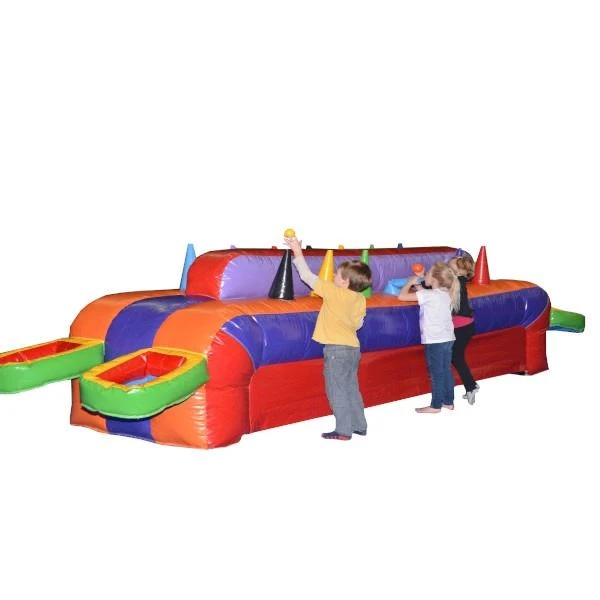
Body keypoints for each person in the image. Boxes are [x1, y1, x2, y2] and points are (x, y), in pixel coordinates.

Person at [284, 235, 372, 440]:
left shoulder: (334, 292)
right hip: (353, 349)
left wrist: (297, 251)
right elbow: (358, 324)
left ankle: (343, 430)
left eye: (337, 274)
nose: (333, 275)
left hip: (336, 350)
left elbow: (307, 276)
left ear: (345, 282)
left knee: (336, 389)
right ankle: (359, 425)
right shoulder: (360, 299)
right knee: (351, 388)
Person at [398, 262, 460, 413]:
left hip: (434, 340)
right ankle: (448, 401)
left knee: (436, 373)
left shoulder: (430, 295)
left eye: (427, 273)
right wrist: (419, 284)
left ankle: (435, 405)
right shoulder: (445, 293)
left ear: (434, 279)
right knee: (445, 370)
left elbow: (402, 296)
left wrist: (409, 282)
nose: (424, 275)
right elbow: (425, 295)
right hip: (447, 338)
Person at [448, 255, 479, 404]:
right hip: (464, 325)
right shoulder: (458, 280)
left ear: (459, 270)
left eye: (451, 266)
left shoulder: (457, 281)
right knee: (456, 356)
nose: (448, 267)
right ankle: (471, 384)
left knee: (456, 357)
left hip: (462, 326)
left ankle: (471, 387)